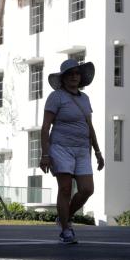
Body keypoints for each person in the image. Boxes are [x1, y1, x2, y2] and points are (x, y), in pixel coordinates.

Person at [40, 59, 104, 244]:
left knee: (87, 189)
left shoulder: (85, 99)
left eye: (77, 73)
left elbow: (89, 126)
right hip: (61, 148)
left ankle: (64, 217)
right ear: (63, 78)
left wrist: (98, 151)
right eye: (70, 74)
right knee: (65, 188)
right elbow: (45, 128)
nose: (74, 76)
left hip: (83, 149)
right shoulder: (56, 97)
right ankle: (66, 231)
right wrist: (45, 155)